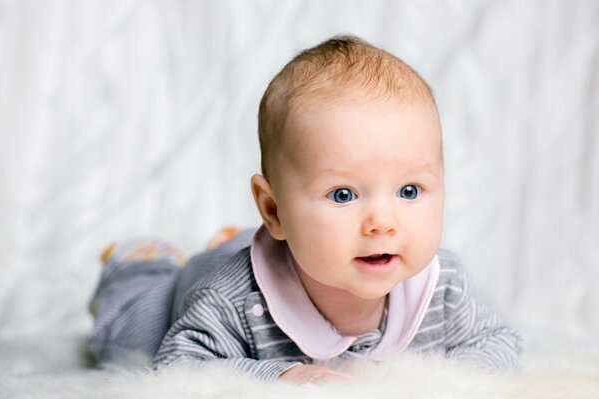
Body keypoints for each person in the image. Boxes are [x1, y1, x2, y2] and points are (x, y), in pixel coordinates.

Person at [88, 35, 521, 384]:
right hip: (186, 287)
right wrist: (280, 376)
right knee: (128, 335)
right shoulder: (231, 301)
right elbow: (181, 367)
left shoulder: (441, 286)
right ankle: (139, 264)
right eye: (343, 195)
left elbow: (496, 343)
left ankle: (230, 238)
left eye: (409, 191)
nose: (383, 224)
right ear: (272, 210)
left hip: (285, 246)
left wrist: (449, 384)